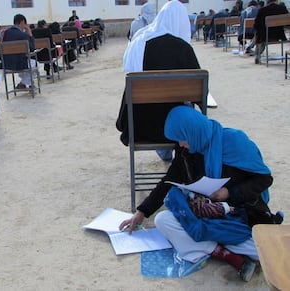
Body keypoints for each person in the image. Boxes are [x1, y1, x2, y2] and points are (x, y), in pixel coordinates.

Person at [120, 105, 283, 282]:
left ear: (191, 131)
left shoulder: (235, 141)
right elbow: (168, 180)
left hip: (238, 215)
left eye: (182, 139)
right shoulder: (187, 150)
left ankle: (212, 246)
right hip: (205, 214)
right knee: (163, 220)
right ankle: (224, 253)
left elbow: (264, 179)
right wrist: (142, 211)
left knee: (269, 252)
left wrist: (229, 192)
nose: (181, 144)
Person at [117, 0, 195, 162]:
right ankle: (183, 161)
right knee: (185, 104)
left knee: (158, 105)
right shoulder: (184, 48)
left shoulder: (140, 41)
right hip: (177, 131)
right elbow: (200, 94)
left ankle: (164, 153)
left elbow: (128, 76)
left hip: (141, 127)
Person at [1, 13, 36, 89]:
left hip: (7, 64)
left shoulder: (4, 33)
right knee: (36, 64)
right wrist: (29, 33)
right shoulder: (23, 35)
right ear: (22, 22)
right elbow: (32, 48)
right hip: (20, 65)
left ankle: (24, 84)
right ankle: (23, 83)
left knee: (28, 65)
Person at [253, 0, 288, 64]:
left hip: (264, 37)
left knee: (259, 34)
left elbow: (256, 25)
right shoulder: (282, 9)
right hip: (278, 36)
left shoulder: (262, 10)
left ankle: (257, 55)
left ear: (267, 1)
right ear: (276, 0)